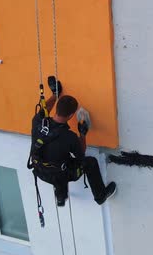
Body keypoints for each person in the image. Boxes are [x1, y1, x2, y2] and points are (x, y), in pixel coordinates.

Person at [29, 77, 116, 207]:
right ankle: (100, 196)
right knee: (90, 163)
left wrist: (55, 95)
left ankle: (61, 195)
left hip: (40, 171)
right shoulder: (69, 137)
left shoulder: (37, 122)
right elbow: (81, 154)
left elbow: (45, 108)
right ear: (70, 116)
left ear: (56, 108)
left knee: (57, 165)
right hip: (61, 174)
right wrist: (82, 134)